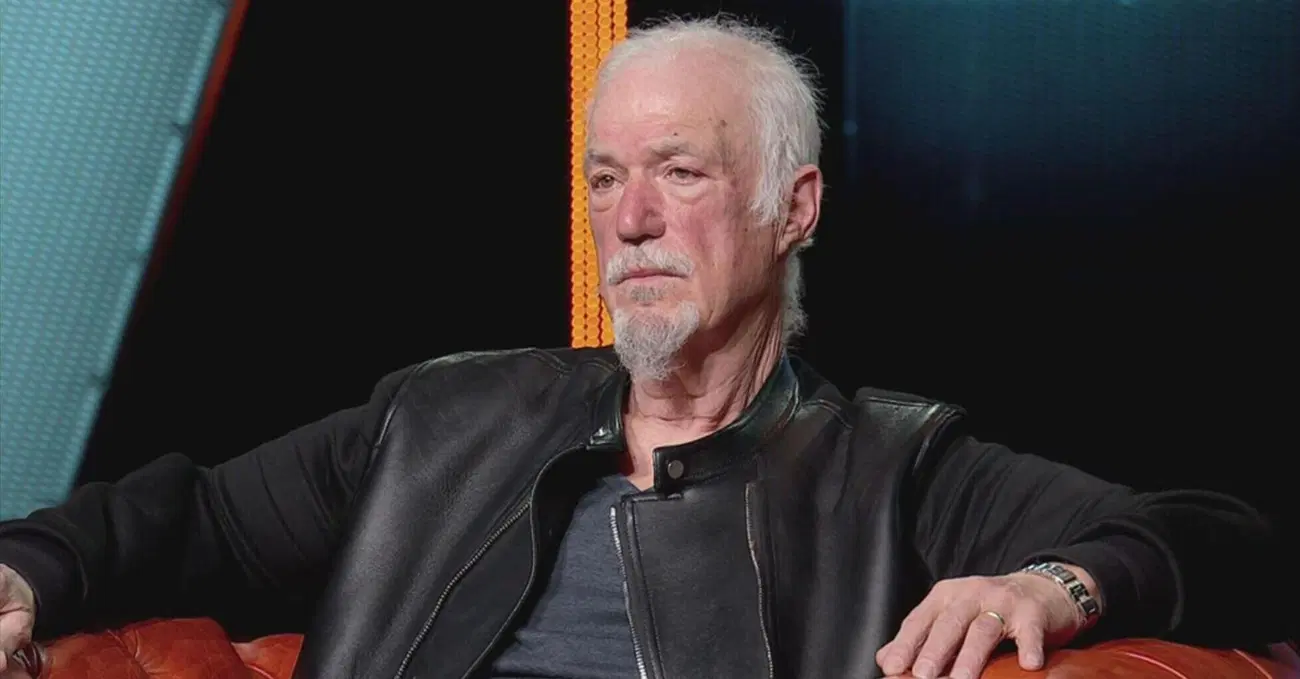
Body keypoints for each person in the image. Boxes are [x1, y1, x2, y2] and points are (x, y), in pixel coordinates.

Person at [0, 16, 1292, 679]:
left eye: (680, 171)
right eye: (606, 176)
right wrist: (21, 575)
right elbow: (186, 517)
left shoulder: (891, 462)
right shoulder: (440, 418)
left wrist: (1054, 586)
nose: (629, 219)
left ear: (794, 206)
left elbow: (1222, 536)